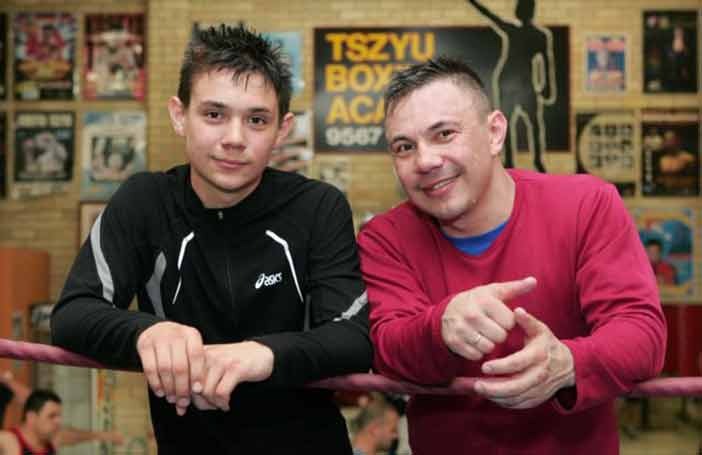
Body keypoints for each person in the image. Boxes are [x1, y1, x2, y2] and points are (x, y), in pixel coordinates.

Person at [51, 23, 372, 454]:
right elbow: (72, 313)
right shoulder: (145, 202)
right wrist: (146, 333)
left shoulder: (317, 207)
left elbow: (353, 336)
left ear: (282, 129)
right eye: (214, 114)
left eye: (256, 119)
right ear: (179, 115)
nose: (234, 139)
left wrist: (262, 354)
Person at [357, 57, 666, 454]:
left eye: (445, 134)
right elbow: (387, 353)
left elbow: (642, 334)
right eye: (404, 147)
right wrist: (441, 328)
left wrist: (569, 361)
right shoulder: (385, 238)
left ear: (495, 133)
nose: (426, 161)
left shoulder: (587, 205)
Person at [466, 0, 556, 172]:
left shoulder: (534, 34)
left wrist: (547, 87)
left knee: (529, 123)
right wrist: (547, 87)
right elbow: (545, 63)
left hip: (520, 82)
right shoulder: (537, 35)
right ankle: (513, 160)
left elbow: (545, 63)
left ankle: (534, 160)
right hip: (510, 82)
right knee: (512, 122)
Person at [0, 389, 123, 455]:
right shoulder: (7, 440)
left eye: (59, 416)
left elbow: (75, 436)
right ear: (31, 417)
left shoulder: (52, 440)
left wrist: (106, 436)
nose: (58, 421)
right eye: (52, 416)